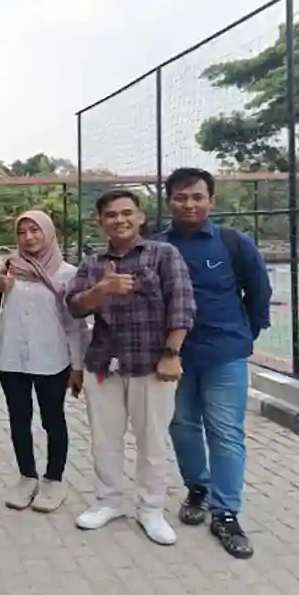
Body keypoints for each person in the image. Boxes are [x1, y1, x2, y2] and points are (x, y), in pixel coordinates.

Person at [66, 189, 195, 546]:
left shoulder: (164, 255)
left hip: (151, 364)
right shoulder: (92, 264)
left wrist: (172, 353)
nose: (119, 220)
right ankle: (108, 502)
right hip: (103, 364)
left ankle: (151, 508)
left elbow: (182, 305)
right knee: (104, 440)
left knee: (152, 440)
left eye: (127, 213)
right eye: (111, 215)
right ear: (100, 222)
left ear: (140, 217)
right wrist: (102, 289)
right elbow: (74, 306)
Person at [160, 167, 272, 560]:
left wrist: (243, 336)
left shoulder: (233, 243)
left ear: (211, 200)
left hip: (224, 355)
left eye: (197, 197)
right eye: (180, 197)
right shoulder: (157, 247)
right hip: (174, 358)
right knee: (181, 425)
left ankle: (226, 513)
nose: (189, 204)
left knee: (225, 432)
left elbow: (259, 294)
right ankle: (199, 488)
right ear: (169, 202)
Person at [0, 210, 85, 512]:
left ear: (48, 233)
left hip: (52, 359)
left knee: (53, 420)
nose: (28, 237)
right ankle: (27, 477)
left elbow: (75, 324)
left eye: (35, 230)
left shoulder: (67, 273)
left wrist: (77, 366)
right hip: (11, 359)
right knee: (19, 419)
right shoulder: (10, 267)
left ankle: (54, 480)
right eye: (22, 232)